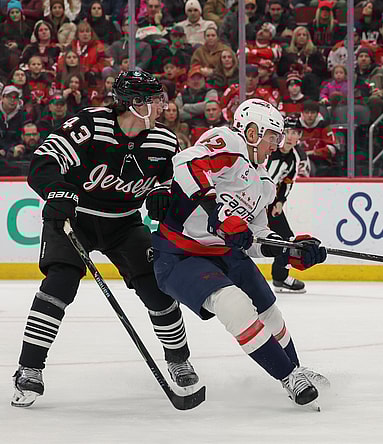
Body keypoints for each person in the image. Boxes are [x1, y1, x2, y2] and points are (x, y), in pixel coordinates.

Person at [11, 70, 199, 408]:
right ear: (136, 103)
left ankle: (178, 359)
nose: (163, 106)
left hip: (124, 224)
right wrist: (57, 191)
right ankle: (29, 367)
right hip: (75, 217)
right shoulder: (91, 125)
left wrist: (161, 194)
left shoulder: (165, 142)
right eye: (156, 100)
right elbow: (43, 161)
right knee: (60, 284)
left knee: (156, 289)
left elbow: (167, 182)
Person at [151, 99, 329, 408]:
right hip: (179, 253)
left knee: (268, 307)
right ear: (252, 132)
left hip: (224, 254)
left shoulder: (263, 182)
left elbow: (255, 237)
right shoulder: (227, 143)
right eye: (273, 136)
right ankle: (288, 376)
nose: (277, 144)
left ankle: (295, 368)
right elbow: (184, 165)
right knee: (232, 303)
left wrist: (288, 250)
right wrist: (218, 216)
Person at [265, 116, 310, 293]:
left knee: (287, 240)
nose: (291, 136)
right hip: (250, 201)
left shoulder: (294, 158)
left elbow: (287, 181)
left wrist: (280, 201)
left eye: (295, 133)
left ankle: (280, 276)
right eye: (288, 132)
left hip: (269, 203)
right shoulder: (268, 150)